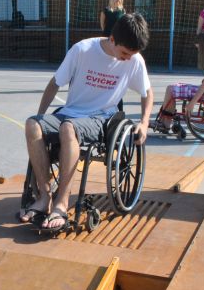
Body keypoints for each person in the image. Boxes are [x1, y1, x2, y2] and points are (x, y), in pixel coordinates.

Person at [20, 13, 153, 230]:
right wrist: (41, 117)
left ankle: (62, 204)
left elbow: (147, 93)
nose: (128, 58)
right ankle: (44, 197)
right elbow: (55, 83)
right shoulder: (82, 50)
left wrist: (144, 123)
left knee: (68, 128)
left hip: (102, 118)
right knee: (32, 124)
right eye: (124, 53)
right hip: (70, 113)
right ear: (112, 39)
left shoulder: (135, 61)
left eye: (132, 54)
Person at [153, 31, 204, 135]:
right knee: (173, 88)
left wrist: (192, 104)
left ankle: (166, 123)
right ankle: (165, 122)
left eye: (199, 48)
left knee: (171, 89)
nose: (199, 51)